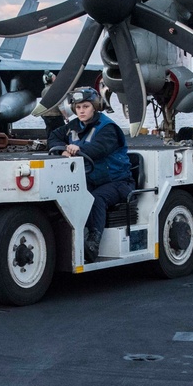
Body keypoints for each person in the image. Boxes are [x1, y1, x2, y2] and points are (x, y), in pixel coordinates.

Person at [48, 87, 132, 263]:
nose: (81, 111)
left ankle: (93, 243)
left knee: (96, 198)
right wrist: (62, 151)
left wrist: (79, 149)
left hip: (118, 182)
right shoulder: (74, 126)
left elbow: (99, 149)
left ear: (94, 107)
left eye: (85, 106)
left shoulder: (108, 128)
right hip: (91, 178)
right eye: (78, 107)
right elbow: (54, 136)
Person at [40, 71, 65, 141]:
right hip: (56, 115)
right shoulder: (55, 90)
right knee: (62, 131)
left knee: (49, 131)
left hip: (46, 115)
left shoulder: (44, 90)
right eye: (54, 77)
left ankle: (50, 145)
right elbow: (60, 104)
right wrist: (65, 116)